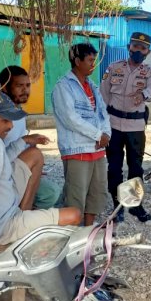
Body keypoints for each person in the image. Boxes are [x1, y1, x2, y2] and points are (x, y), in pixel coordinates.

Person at [0, 91, 82, 256]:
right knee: (74, 215)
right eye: (5, 120)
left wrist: (24, 141)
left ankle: (25, 215)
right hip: (1, 228)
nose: (11, 126)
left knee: (34, 154)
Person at [100, 32, 151, 222]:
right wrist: (104, 121)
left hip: (135, 127)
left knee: (136, 168)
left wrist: (142, 95)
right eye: (135, 46)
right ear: (129, 47)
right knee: (114, 167)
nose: (138, 50)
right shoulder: (114, 68)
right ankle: (117, 206)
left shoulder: (149, 72)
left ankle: (135, 205)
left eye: (142, 48)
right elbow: (104, 95)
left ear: (147, 52)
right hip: (114, 126)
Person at [52, 43, 111, 227]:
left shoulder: (92, 86)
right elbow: (70, 118)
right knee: (76, 196)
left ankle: (87, 232)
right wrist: (97, 135)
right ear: (77, 61)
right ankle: (72, 237)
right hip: (77, 150)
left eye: (94, 60)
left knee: (96, 194)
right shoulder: (63, 87)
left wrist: (106, 134)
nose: (93, 64)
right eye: (90, 60)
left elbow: (103, 113)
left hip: (97, 150)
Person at [0, 65, 62, 210]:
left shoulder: (19, 112)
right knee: (51, 193)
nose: (25, 90)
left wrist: (34, 165)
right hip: (5, 174)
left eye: (27, 85)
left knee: (55, 194)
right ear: (4, 87)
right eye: (19, 86)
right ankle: (22, 214)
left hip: (21, 167)